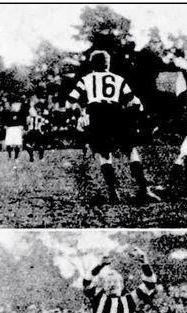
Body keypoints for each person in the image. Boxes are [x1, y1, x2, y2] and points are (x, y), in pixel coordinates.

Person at [68, 50, 161, 204]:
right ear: (107, 63)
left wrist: (81, 113)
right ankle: (144, 190)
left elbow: (71, 101)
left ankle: (113, 193)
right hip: (116, 113)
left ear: (92, 64)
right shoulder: (118, 79)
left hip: (97, 114)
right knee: (130, 150)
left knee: (104, 154)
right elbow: (135, 102)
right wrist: (139, 114)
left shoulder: (85, 79)